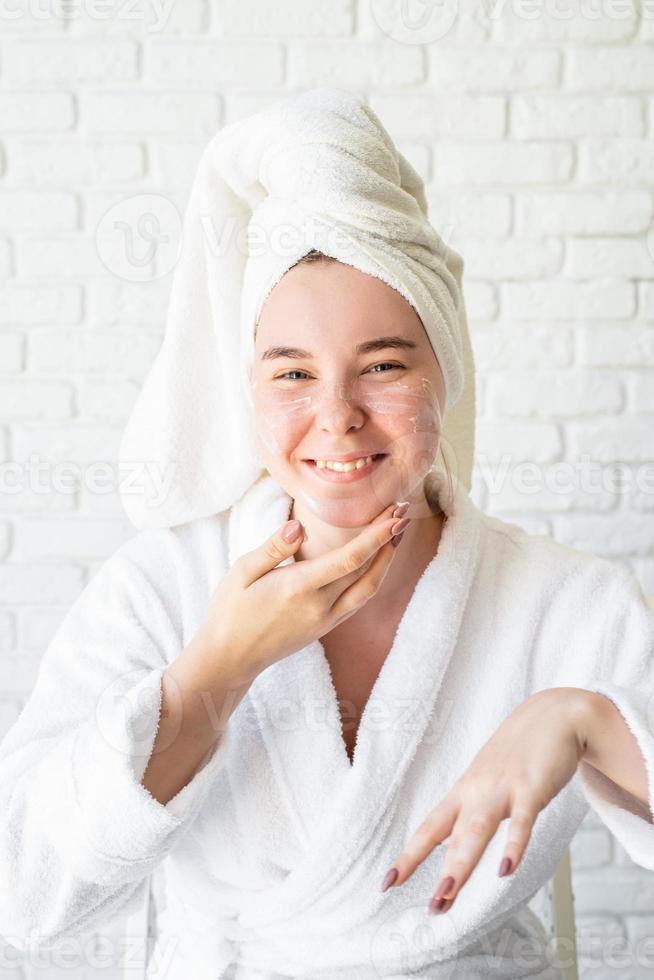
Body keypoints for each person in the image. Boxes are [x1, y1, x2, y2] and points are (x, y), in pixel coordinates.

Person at [0, 87, 653, 980]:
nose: (336, 418)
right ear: (248, 388)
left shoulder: (567, 602)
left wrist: (593, 721)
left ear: (445, 370)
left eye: (383, 365)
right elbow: (23, 892)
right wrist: (212, 674)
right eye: (293, 373)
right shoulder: (163, 588)